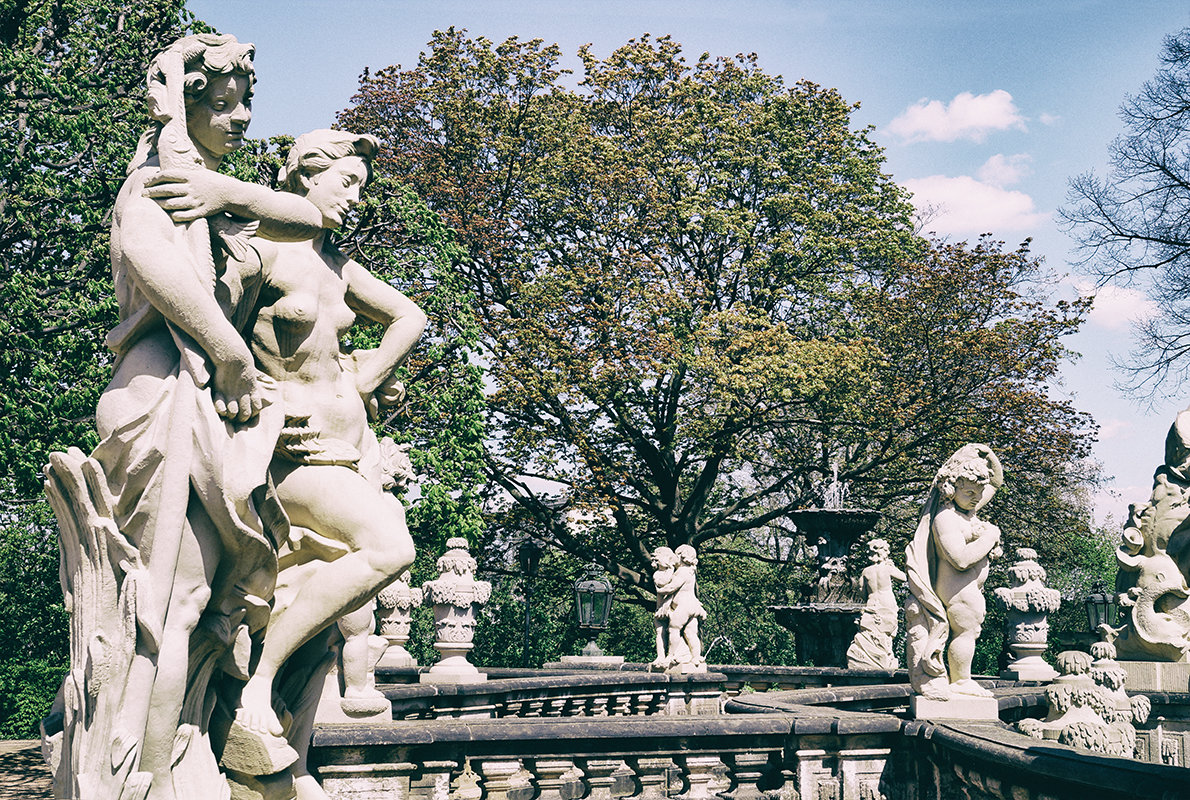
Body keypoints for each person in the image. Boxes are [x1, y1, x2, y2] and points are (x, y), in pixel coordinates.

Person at [46, 33, 326, 800]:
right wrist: (229, 351)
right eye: (223, 103)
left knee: (191, 608)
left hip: (202, 399)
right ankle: (138, 776)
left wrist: (227, 194)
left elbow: (308, 217)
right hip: (161, 395)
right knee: (160, 611)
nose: (239, 120)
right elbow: (152, 259)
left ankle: (169, 759)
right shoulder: (152, 183)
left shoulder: (207, 192)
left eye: (245, 105)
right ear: (189, 100)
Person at [223, 129, 425, 742]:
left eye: (363, 186)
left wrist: (368, 377)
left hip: (350, 453)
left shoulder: (336, 264)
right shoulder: (257, 252)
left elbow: (409, 317)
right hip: (292, 454)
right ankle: (259, 680)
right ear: (305, 176)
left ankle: (289, 739)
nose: (357, 198)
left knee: (350, 604)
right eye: (348, 182)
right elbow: (206, 346)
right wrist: (258, 410)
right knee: (391, 548)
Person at [904, 444, 1003, 700]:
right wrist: (990, 537)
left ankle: (961, 680)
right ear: (950, 489)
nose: (977, 498)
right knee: (965, 632)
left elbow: (996, 482)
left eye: (979, 493)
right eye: (970, 492)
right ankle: (961, 681)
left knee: (969, 633)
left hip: (969, 591)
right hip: (956, 591)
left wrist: (987, 454)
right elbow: (960, 559)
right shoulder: (945, 518)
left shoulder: (968, 509)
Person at [846, 538, 906, 670]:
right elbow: (904, 578)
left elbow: (860, 590)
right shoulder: (888, 569)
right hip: (887, 601)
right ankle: (883, 658)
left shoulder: (866, 571)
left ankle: (870, 657)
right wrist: (892, 566)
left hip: (872, 602)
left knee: (870, 631)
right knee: (885, 633)